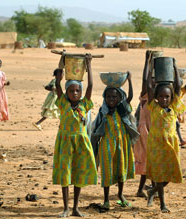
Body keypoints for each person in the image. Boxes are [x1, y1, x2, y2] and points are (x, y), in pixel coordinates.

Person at [53, 55, 97, 217]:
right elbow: (57, 84)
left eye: (77, 90)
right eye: (71, 91)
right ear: (66, 93)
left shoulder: (85, 104)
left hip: (81, 142)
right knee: (65, 173)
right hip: (65, 142)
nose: (75, 93)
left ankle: (75, 208)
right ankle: (65, 208)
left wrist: (89, 64)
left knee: (78, 173)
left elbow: (91, 84)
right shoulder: (63, 103)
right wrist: (61, 67)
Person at [91, 72, 139, 210]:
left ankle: (120, 195)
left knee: (121, 169)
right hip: (107, 145)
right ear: (104, 98)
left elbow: (130, 97)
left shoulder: (122, 109)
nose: (111, 99)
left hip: (122, 144)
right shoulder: (103, 111)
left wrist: (129, 80)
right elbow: (96, 130)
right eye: (108, 96)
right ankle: (106, 199)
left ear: (120, 97)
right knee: (107, 171)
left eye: (114, 96)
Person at [146, 58, 185, 213]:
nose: (164, 99)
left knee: (170, 175)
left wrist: (175, 66)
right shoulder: (154, 107)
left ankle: (152, 191)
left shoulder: (174, 106)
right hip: (156, 145)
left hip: (171, 145)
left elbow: (177, 86)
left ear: (171, 98)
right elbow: (149, 85)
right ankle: (162, 204)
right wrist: (150, 66)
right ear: (156, 97)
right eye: (161, 96)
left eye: (167, 97)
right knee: (160, 175)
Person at [134, 50, 155, 198]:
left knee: (150, 162)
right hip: (144, 133)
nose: (151, 84)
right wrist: (147, 62)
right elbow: (144, 80)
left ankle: (145, 189)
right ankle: (150, 189)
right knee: (148, 161)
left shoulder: (157, 100)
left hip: (153, 132)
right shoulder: (144, 97)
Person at [176, 69, 186, 146]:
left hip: (179, 110)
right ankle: (181, 140)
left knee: (177, 125)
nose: (180, 84)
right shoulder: (173, 91)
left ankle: (180, 140)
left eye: (181, 83)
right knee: (177, 125)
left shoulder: (182, 90)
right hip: (174, 110)